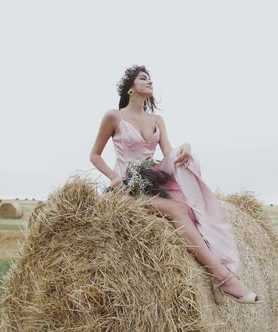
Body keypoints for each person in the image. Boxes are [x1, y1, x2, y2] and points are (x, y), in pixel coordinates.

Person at [89, 65, 264, 304]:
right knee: (177, 209)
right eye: (143, 78)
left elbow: (169, 155)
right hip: (127, 189)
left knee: (190, 199)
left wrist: (187, 147)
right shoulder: (114, 116)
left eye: (151, 78)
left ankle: (216, 267)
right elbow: (95, 155)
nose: (150, 81)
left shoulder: (157, 120)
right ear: (130, 87)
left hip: (152, 182)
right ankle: (223, 278)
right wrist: (113, 176)